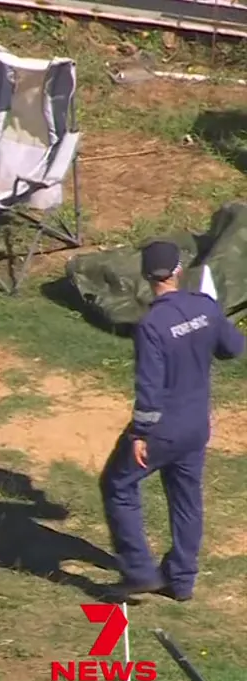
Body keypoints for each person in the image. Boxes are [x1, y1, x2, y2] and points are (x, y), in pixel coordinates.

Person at [99, 240, 245, 601]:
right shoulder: (205, 307)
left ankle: (139, 570)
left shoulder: (152, 324)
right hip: (196, 425)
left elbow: (149, 386)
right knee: (186, 499)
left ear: (148, 277)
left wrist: (140, 433)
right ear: (179, 270)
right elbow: (234, 349)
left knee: (117, 484)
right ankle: (181, 580)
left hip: (163, 428)